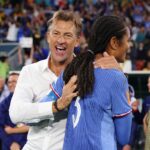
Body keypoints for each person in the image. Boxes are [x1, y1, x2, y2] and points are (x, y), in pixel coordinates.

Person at [9, 10, 121, 150]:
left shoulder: (90, 75)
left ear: (77, 40)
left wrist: (118, 73)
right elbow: (16, 113)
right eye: (56, 33)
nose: (61, 40)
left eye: (67, 35)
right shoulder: (30, 71)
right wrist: (57, 105)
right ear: (48, 36)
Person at [41, 15, 132, 150]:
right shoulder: (116, 78)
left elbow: (41, 109)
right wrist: (121, 76)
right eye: (127, 40)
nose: (128, 46)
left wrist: (60, 104)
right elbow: (123, 137)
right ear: (114, 42)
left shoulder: (72, 69)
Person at [0, 72, 29, 150]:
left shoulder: (30, 101)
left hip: (27, 143)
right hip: (9, 145)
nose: (11, 84)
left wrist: (12, 130)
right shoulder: (3, 104)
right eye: (9, 82)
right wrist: (11, 143)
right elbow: (1, 128)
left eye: (14, 81)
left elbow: (32, 127)